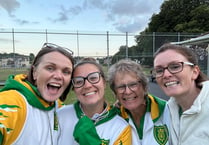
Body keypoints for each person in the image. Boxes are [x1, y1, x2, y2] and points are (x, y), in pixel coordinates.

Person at [0, 42, 74, 145]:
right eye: (50, 68)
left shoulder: (60, 109)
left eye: (66, 72)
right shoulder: (10, 103)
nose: (58, 76)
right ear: (34, 72)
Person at [58, 59, 132, 145]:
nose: (87, 85)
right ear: (74, 88)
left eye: (93, 78)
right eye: (79, 81)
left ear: (104, 82)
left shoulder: (121, 128)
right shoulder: (59, 117)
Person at [153, 43, 209, 145]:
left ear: (195, 72)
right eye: (159, 70)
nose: (166, 75)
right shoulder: (168, 109)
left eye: (175, 67)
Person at [108, 59, 170, 145]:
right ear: (115, 93)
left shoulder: (167, 111)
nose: (128, 92)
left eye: (133, 85)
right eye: (121, 87)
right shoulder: (112, 117)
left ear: (144, 87)